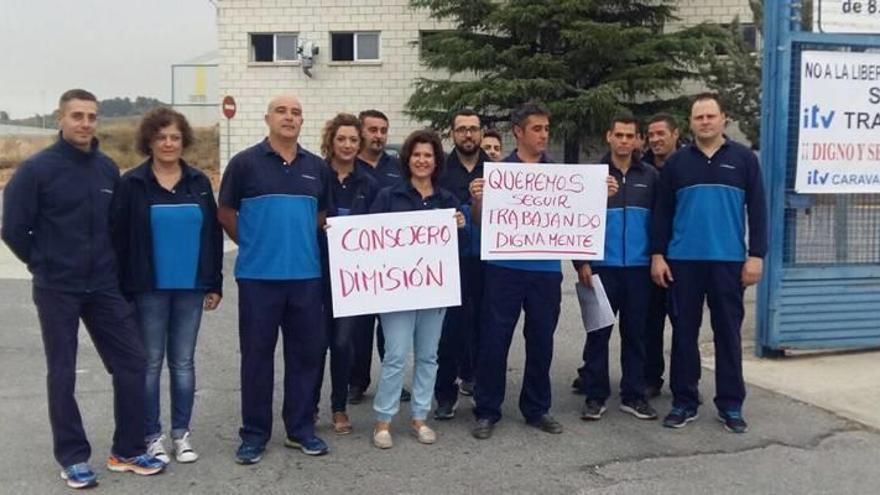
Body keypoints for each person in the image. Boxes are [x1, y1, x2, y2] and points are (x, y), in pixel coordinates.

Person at [1, 89, 165, 489]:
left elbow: (115, 226)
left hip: (104, 285)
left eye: (92, 116)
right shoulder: (37, 170)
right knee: (63, 372)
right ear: (61, 118)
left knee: (132, 362)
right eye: (77, 116)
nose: (86, 123)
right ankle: (73, 457)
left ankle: (126, 449)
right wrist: (43, 263)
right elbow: (12, 228)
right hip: (58, 287)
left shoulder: (108, 169)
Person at [468, 102, 619, 440]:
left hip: (545, 273)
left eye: (546, 129)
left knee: (541, 341)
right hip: (503, 269)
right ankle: (487, 410)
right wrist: (478, 199)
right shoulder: (498, 173)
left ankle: (536, 408)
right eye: (537, 129)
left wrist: (602, 197)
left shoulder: (560, 175)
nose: (544, 135)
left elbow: (580, 222)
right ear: (519, 132)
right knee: (494, 341)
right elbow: (480, 222)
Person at [218, 94, 331, 464]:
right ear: (268, 118)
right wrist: (254, 242)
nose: (289, 117)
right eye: (282, 111)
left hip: (305, 278)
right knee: (256, 359)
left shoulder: (316, 166)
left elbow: (321, 215)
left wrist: (295, 240)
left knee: (305, 357)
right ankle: (254, 435)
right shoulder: (244, 164)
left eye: (296, 112)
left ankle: (300, 430)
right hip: (257, 279)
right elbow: (226, 212)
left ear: (303, 121)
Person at [110, 107, 223, 464]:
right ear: (150, 141)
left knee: (184, 362)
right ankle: (151, 435)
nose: (169, 143)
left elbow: (212, 236)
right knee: (151, 363)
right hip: (148, 289)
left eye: (175, 137)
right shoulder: (132, 184)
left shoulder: (199, 182)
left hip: (191, 288)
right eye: (161, 137)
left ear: (184, 140)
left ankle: (181, 434)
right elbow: (119, 238)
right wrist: (123, 288)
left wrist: (213, 282)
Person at [651, 93, 767, 433]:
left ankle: (731, 405)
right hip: (683, 261)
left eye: (710, 116)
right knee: (684, 335)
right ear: (690, 122)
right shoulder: (677, 163)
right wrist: (658, 255)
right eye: (698, 117)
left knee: (728, 335)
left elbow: (758, 210)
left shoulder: (744, 159)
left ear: (723, 119)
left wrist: (756, 255)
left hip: (728, 262)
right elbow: (662, 213)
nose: (704, 122)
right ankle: (684, 402)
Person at [368, 129, 465, 449]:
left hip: (434, 292)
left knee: (428, 356)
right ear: (407, 159)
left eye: (428, 155)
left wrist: (461, 227)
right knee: (395, 355)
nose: (422, 160)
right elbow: (368, 241)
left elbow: (458, 249)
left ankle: (420, 416)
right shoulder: (388, 196)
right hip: (396, 292)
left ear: (436, 162)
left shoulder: (447, 200)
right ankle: (383, 420)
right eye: (417, 155)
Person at [575, 116, 659, 422]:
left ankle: (633, 395)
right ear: (608, 136)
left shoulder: (650, 176)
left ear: (638, 140)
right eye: (619, 135)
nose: (624, 141)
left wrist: (656, 257)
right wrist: (581, 262)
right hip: (601, 269)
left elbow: (659, 221)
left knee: (636, 334)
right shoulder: (592, 177)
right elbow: (576, 221)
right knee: (598, 333)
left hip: (638, 269)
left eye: (630, 136)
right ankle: (595, 396)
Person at [314, 113, 379, 434]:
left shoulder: (368, 182)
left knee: (342, 344)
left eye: (354, 139)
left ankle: (339, 408)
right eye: (342, 138)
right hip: (314, 273)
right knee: (313, 344)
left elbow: (381, 229)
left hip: (351, 280)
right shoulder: (315, 176)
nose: (348, 145)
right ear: (331, 140)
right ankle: (308, 407)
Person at [349, 109, 409, 404]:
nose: (379, 136)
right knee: (359, 327)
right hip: (359, 262)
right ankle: (356, 382)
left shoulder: (397, 167)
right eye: (373, 130)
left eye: (383, 130)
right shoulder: (348, 166)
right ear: (361, 132)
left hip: (393, 261)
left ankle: (393, 379)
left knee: (391, 327)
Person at [434, 109, 489, 419]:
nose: (468, 135)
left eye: (473, 129)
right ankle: (445, 395)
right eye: (462, 129)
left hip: (488, 263)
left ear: (481, 132)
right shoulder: (440, 171)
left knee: (486, 329)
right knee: (448, 332)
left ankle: (484, 392)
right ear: (452, 134)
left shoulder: (498, 171)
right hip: (449, 263)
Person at [641, 113, 682, 398]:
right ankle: (650, 378)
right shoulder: (641, 168)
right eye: (651, 135)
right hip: (650, 259)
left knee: (684, 325)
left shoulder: (687, 166)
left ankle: (683, 383)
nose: (655, 139)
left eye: (661, 134)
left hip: (682, 258)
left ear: (675, 134)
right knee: (650, 323)